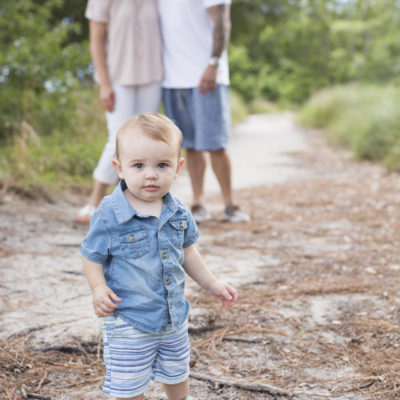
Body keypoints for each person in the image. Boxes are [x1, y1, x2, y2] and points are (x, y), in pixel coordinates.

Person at [80, 113, 237, 400]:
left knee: (177, 372)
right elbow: (91, 256)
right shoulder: (110, 214)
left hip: (172, 317)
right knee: (128, 384)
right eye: (138, 165)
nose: (150, 174)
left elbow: (188, 253)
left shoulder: (178, 211)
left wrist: (212, 284)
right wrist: (98, 287)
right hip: (129, 319)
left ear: (177, 168)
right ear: (119, 168)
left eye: (161, 165)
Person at [158, 0, 250, 223]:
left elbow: (222, 20)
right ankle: (198, 203)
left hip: (206, 75)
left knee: (215, 144)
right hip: (173, 78)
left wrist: (214, 63)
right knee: (190, 145)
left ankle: (230, 203)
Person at [76, 0, 163, 223]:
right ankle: (94, 201)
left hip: (152, 75)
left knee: (144, 140)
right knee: (118, 138)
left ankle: (129, 202)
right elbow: (96, 41)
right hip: (117, 78)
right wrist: (104, 83)